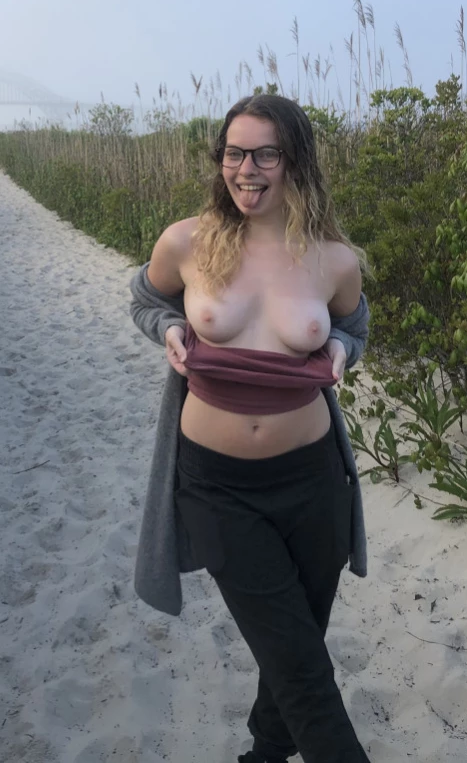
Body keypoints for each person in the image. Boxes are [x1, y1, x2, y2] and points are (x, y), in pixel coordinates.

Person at [129, 94, 372, 763]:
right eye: (234, 152)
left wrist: (341, 348)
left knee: (295, 643)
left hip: (313, 481)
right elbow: (145, 298)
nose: (247, 168)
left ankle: (263, 754)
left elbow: (354, 326)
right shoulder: (186, 241)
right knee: (299, 661)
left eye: (266, 153)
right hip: (216, 485)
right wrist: (168, 325)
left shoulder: (333, 259)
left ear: (295, 160)